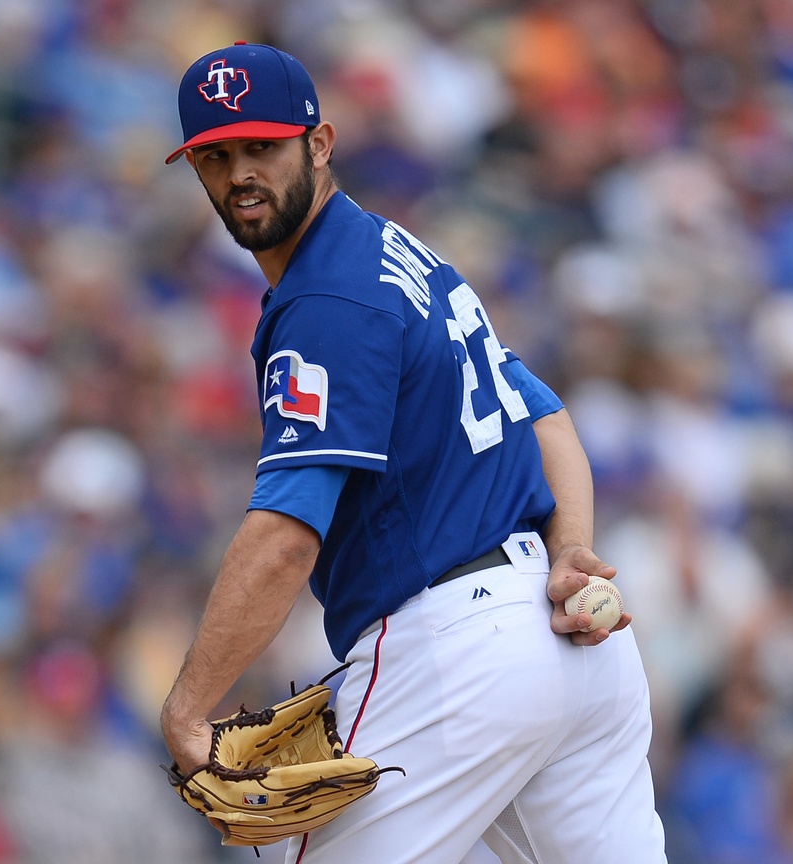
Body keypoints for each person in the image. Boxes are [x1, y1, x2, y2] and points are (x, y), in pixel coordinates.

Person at [159, 41, 667, 863]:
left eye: (263, 146)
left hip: (458, 657)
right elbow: (550, 423)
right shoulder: (403, 256)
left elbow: (288, 535)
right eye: (216, 156)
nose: (240, 173)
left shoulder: (327, 295)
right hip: (571, 649)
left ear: (318, 144)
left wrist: (188, 709)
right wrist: (570, 550)